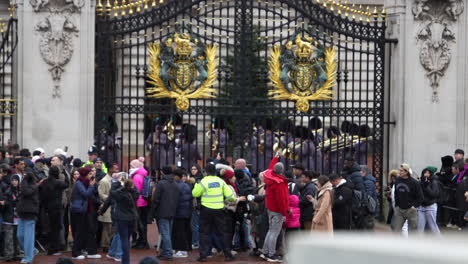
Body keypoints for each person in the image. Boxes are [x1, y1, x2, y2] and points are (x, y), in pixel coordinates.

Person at [192, 163, 235, 262]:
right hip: (219, 210)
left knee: (204, 233)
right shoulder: (221, 181)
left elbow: (194, 193)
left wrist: (196, 185)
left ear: (206, 172)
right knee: (223, 233)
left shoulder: (203, 181)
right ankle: (228, 254)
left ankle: (203, 256)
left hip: (206, 209)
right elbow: (231, 197)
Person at [100, 178, 139, 264]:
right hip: (132, 218)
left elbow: (112, 192)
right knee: (127, 239)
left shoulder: (119, 194)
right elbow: (135, 190)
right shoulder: (134, 193)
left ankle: (125, 260)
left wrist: (117, 183)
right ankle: (124, 258)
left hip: (121, 218)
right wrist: (129, 184)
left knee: (123, 239)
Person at [260, 155, 289, 263]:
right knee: (274, 232)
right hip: (277, 210)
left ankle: (265, 251)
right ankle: (270, 254)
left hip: (270, 208)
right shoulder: (279, 183)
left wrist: (275, 157)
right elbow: (282, 200)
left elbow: (270, 167)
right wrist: (285, 212)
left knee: (270, 231)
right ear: (282, 171)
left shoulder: (269, 176)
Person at [71, 167, 101, 259]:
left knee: (90, 230)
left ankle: (91, 252)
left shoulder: (86, 183)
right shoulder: (79, 183)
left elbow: (91, 195)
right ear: (85, 174)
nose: (91, 175)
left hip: (87, 210)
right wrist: (91, 186)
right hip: (80, 210)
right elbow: (85, 194)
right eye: (89, 174)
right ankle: (76, 253)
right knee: (79, 232)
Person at [40, 166, 70, 255]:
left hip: (46, 208)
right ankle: (54, 249)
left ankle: (51, 248)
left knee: (50, 228)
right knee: (56, 228)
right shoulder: (58, 183)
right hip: (56, 208)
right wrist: (64, 173)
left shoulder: (44, 182)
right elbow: (67, 184)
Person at [153, 166, 180, 261]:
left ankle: (168, 253)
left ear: (162, 172)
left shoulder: (161, 184)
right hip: (172, 211)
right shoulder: (175, 184)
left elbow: (156, 199)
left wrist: (153, 211)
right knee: (168, 232)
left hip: (162, 211)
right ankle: (165, 251)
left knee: (165, 233)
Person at [17, 170, 42, 264]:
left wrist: (24, 179)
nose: (23, 177)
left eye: (24, 176)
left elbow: (26, 192)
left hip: (30, 214)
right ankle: (32, 250)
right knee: (19, 236)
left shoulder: (33, 187)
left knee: (28, 237)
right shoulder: (26, 186)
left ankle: (28, 258)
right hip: (22, 213)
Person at [393, 163, 423, 234]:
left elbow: (420, 197)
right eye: (399, 170)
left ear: (407, 172)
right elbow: (396, 193)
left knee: (413, 231)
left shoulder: (414, 183)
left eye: (402, 171)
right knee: (396, 230)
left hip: (411, 210)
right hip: (399, 209)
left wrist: (414, 206)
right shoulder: (397, 180)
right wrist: (396, 205)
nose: (399, 172)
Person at [98, 162, 119, 252]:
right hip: (107, 207)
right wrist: (111, 198)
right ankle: (105, 245)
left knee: (113, 228)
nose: (117, 170)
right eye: (115, 169)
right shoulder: (104, 181)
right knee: (107, 228)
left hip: (115, 208)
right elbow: (101, 194)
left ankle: (110, 244)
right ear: (110, 169)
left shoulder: (118, 180)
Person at [223, 169, 246, 253]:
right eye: (233, 177)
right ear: (229, 178)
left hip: (231, 211)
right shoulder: (229, 187)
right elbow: (229, 200)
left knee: (230, 230)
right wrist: (239, 199)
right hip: (229, 210)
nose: (234, 178)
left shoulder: (232, 185)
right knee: (229, 231)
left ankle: (228, 248)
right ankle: (228, 249)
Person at [129, 159, 150, 249]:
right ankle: (142, 240)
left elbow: (135, 192)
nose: (130, 168)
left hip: (138, 203)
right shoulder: (142, 174)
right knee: (142, 223)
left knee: (139, 223)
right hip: (143, 202)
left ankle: (143, 242)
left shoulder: (136, 177)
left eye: (131, 166)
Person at [172, 169, 193, 258]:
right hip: (185, 211)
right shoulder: (186, 185)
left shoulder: (177, 185)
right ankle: (181, 249)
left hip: (179, 212)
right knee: (182, 230)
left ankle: (182, 250)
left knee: (179, 231)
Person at [2, 175, 21, 261]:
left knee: (16, 237)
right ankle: (9, 255)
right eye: (13, 180)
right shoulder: (8, 192)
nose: (14, 182)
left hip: (17, 217)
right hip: (9, 217)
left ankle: (16, 254)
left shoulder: (20, 191)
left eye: (16, 180)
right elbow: (5, 204)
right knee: (9, 238)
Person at [418, 167, 440, 234]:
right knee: (420, 227)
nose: (426, 174)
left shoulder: (434, 182)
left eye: (428, 173)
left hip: (430, 206)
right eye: (425, 172)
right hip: (421, 207)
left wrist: (426, 186)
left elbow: (434, 194)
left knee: (433, 226)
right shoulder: (420, 182)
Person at [190, 164, 203, 249]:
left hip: (197, 205)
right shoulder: (193, 179)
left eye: (195, 169)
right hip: (197, 205)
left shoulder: (198, 180)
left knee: (195, 224)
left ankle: (196, 242)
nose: (193, 170)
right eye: (192, 169)